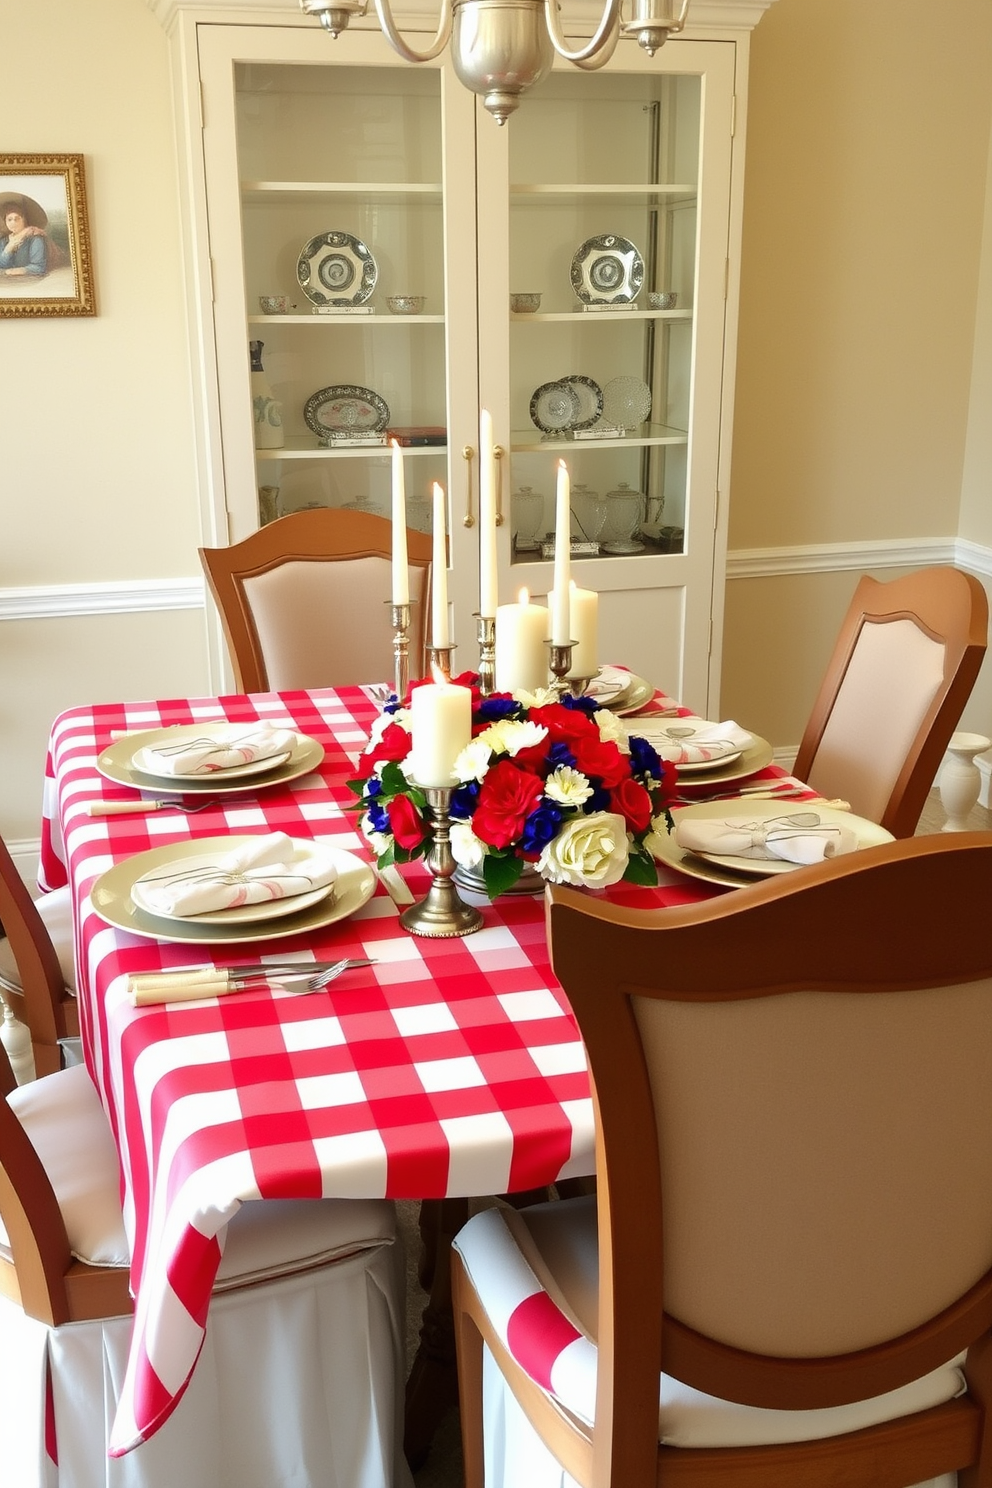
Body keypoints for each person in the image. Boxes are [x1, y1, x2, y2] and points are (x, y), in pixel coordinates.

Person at [0, 193, 65, 278]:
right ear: (5, 222)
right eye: (9, 219)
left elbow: (39, 267)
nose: (13, 223)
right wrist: (8, 249)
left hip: (32, 281)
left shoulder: (35, 239)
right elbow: (2, 265)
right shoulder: (3, 241)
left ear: (24, 220)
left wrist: (13, 271)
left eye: (17, 218)